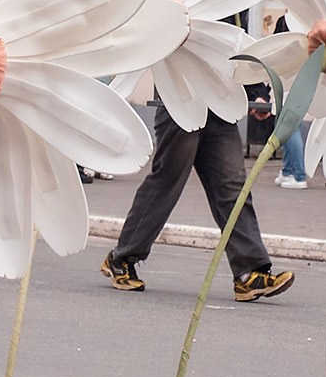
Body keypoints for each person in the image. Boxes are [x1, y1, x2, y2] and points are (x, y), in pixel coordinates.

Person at [101, 84, 296, 301]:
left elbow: (235, 58)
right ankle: (121, 258)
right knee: (166, 183)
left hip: (221, 109)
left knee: (233, 188)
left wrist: (257, 95)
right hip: (181, 103)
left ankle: (249, 273)